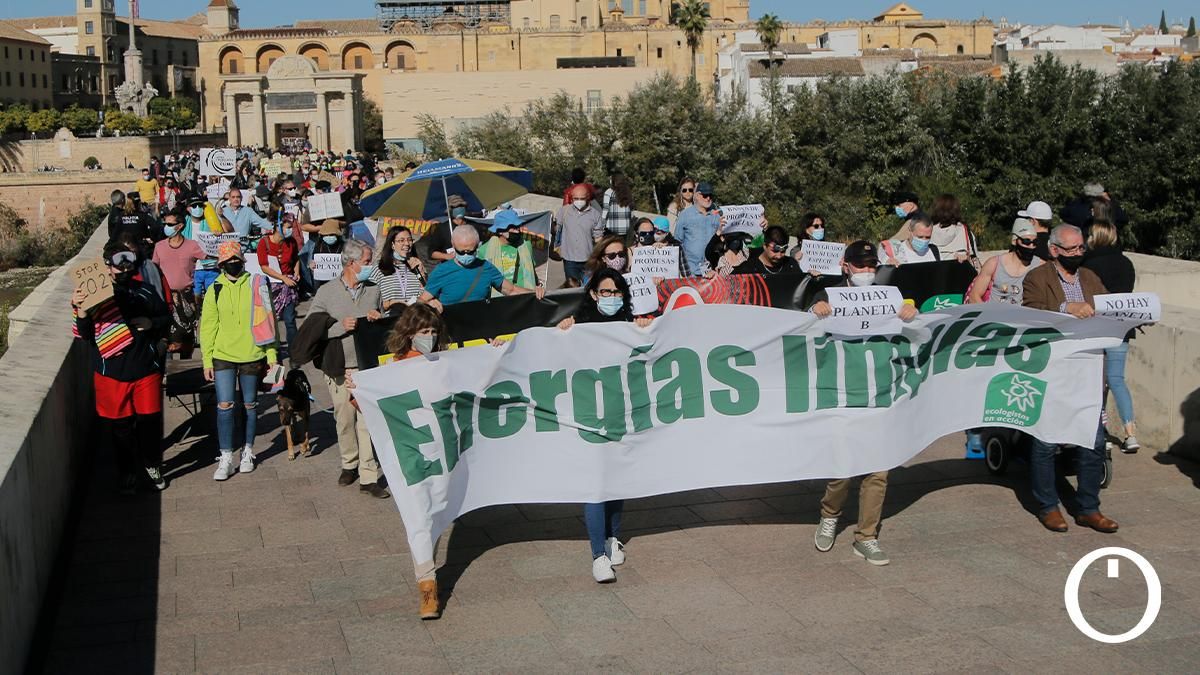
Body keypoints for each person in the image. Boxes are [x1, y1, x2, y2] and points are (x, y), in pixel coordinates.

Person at [807, 241, 918, 565]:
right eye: (860, 266)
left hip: (879, 392)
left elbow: (914, 328)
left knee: (877, 470)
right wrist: (815, 313)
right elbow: (801, 330)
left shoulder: (891, 297)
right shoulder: (827, 295)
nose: (866, 272)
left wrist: (912, 314)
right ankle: (830, 513)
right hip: (843, 395)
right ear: (845, 266)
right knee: (842, 470)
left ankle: (866, 536)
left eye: (871, 266)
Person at [556, 268, 653, 582]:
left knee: (616, 480)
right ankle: (598, 554)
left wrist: (645, 329)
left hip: (620, 413)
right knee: (595, 484)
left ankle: (613, 537)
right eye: (605, 292)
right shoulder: (578, 327)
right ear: (594, 294)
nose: (611, 298)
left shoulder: (630, 326)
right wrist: (562, 331)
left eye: (617, 293)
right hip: (588, 416)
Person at [1021, 224, 1119, 534]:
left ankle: (1088, 508)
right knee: (1046, 441)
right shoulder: (1037, 278)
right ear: (1053, 250)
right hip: (1053, 369)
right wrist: (1067, 308)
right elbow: (1031, 314)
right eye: (1071, 249)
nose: (1077, 253)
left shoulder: (1090, 278)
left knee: (1093, 441)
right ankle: (1048, 506)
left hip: (1087, 370)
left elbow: (1107, 307)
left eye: (1080, 249)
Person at [72, 241, 171, 494]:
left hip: (144, 368)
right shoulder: (93, 295)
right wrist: (81, 311)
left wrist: (150, 323)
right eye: (119, 263)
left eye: (129, 262)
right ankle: (127, 472)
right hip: (111, 371)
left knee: (150, 423)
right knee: (120, 428)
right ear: (107, 266)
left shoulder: (146, 290)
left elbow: (165, 318)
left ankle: (151, 466)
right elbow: (85, 335)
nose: (125, 269)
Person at [309, 239, 390, 498]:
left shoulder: (374, 289)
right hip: (338, 366)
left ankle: (368, 475)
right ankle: (349, 463)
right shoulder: (326, 292)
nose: (371, 267)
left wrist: (379, 319)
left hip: (366, 366)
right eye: (367, 262)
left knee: (366, 422)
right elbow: (311, 328)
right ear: (351, 263)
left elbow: (383, 327)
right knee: (344, 419)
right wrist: (339, 327)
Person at [963, 218, 1044, 456]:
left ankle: (1015, 433)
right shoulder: (994, 264)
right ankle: (977, 436)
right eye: (1026, 241)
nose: (1030, 246)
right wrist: (989, 320)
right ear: (1014, 241)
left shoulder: (1040, 266)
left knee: (1016, 385)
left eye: (1034, 242)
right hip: (994, 334)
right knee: (987, 383)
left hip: (1024, 337)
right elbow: (975, 296)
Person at [199, 241, 279, 481]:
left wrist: (272, 354)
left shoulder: (257, 283)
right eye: (228, 261)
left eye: (236, 260)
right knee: (224, 406)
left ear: (242, 261)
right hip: (223, 355)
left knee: (250, 405)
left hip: (252, 354)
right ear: (222, 264)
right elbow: (208, 326)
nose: (233, 264)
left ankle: (247, 451)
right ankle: (225, 456)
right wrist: (207, 360)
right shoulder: (214, 289)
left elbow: (269, 319)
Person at [1083, 216, 1139, 452]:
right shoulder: (1126, 263)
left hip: (1096, 327)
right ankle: (1130, 433)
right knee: (1117, 380)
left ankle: (1099, 430)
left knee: (1096, 382)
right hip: (1121, 328)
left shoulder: (1087, 265)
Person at [419, 226, 543, 310]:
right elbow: (422, 301)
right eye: (461, 252)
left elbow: (511, 290)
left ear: (478, 247)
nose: (466, 255)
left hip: (480, 327)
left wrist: (535, 292)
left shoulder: (486, 267)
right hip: (451, 329)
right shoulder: (441, 271)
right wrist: (429, 303)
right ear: (453, 246)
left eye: (470, 251)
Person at [152, 210, 204, 356]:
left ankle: (186, 369)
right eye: (165, 224)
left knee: (186, 339)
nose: (166, 227)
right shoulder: (159, 246)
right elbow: (154, 270)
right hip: (165, 298)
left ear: (180, 226)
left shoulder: (192, 245)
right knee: (167, 336)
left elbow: (210, 256)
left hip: (187, 299)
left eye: (170, 224)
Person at [256, 214, 301, 357]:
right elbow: (264, 266)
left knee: (290, 319)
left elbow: (295, 259)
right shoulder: (264, 243)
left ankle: (294, 351)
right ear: (277, 227)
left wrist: (296, 272)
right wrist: (282, 278)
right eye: (288, 228)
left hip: (288, 286)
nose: (290, 231)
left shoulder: (291, 242)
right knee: (269, 319)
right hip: (271, 285)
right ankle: (271, 350)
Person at [478, 209, 539, 296]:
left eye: (518, 226)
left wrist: (538, 286)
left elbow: (532, 271)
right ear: (500, 231)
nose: (517, 230)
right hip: (501, 303)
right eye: (512, 227)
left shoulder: (526, 244)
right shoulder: (484, 250)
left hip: (527, 297)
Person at [372, 225, 426, 313]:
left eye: (409, 240)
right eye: (401, 240)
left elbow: (426, 295)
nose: (407, 244)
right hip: (391, 319)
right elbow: (371, 300)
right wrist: (391, 303)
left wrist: (421, 273)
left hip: (414, 318)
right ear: (392, 244)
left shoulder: (416, 266)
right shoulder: (380, 268)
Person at [555, 184, 602, 285]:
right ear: (572, 198)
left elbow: (598, 238)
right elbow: (556, 229)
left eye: (582, 198)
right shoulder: (564, 211)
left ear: (588, 197)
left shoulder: (595, 215)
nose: (579, 201)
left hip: (588, 260)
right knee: (573, 290)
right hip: (569, 260)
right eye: (576, 198)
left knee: (589, 288)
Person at [675, 182, 725, 276]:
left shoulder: (718, 215)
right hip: (691, 271)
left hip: (713, 270)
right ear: (697, 195)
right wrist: (683, 270)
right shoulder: (685, 215)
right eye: (705, 195)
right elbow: (677, 242)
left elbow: (722, 240)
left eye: (710, 195)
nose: (708, 198)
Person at [929, 194, 980, 267]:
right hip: (960, 274)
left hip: (936, 274)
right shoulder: (965, 231)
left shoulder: (925, 231)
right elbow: (974, 258)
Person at [1061, 182, 1129, 236]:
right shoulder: (1107, 207)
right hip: (1105, 241)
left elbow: (1063, 213)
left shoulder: (1076, 206)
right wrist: (1111, 201)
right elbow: (1123, 219)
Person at [734, 225, 800, 276]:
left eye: (783, 251)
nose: (779, 256)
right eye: (775, 251)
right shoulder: (748, 269)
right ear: (765, 246)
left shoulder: (791, 265)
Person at [600, 172, 634, 238]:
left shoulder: (609, 192)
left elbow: (605, 212)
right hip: (625, 229)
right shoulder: (628, 192)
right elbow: (632, 213)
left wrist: (601, 226)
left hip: (612, 230)